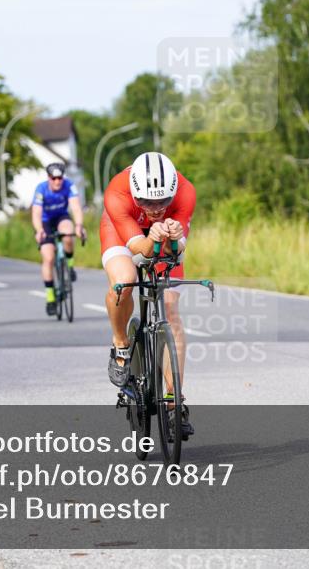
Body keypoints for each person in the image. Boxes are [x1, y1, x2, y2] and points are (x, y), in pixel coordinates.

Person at [100, 151, 196, 438]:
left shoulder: (185, 192)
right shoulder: (117, 192)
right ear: (135, 192)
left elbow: (175, 251)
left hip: (164, 233)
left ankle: (173, 400)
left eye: (162, 201)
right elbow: (140, 250)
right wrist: (151, 237)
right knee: (125, 281)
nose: (155, 209)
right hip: (122, 230)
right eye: (146, 201)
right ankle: (121, 343)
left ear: (173, 192)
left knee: (170, 306)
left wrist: (174, 238)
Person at [32, 162, 85, 316]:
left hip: (62, 217)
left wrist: (79, 226)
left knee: (68, 234)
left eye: (59, 178)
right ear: (48, 178)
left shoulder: (69, 185)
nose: (57, 181)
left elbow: (75, 207)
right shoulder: (41, 189)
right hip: (45, 221)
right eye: (53, 178)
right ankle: (50, 298)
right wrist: (39, 230)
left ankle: (70, 266)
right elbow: (36, 213)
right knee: (48, 258)